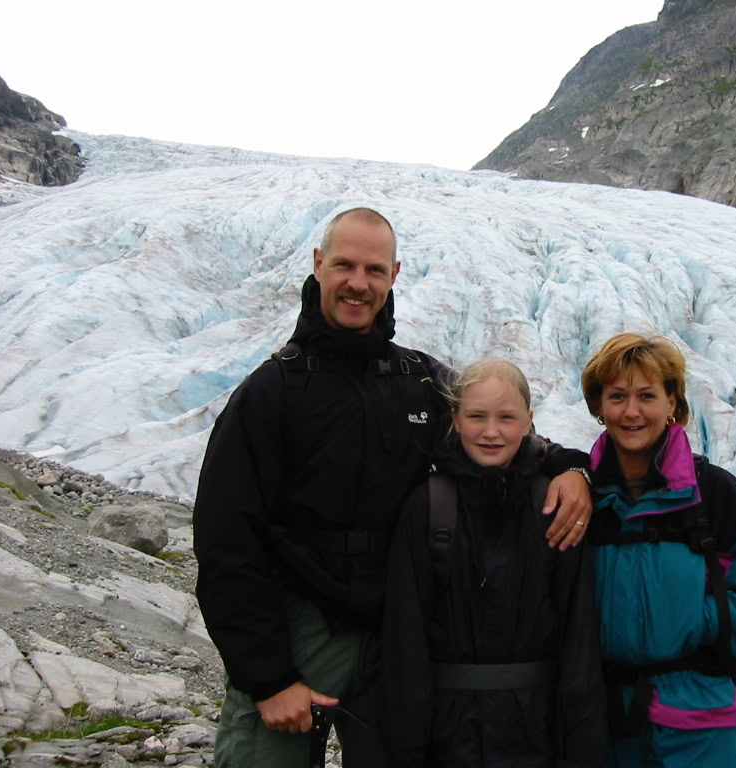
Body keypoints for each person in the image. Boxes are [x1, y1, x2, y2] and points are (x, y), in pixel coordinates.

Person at [193, 207, 593, 768]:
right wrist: (268, 677)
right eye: (345, 265)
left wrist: (574, 469)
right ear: (318, 264)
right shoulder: (273, 391)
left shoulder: (422, 382)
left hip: (396, 637)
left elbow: (502, 434)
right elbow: (225, 538)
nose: (358, 283)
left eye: (374, 270)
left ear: (394, 275)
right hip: (300, 629)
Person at [579, 333, 736, 768]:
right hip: (607, 728)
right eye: (617, 396)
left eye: (647, 396)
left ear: (673, 403)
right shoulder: (584, 496)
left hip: (703, 729)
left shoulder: (712, 493)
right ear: (599, 406)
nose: (631, 411)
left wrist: (699, 620)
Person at [381, 359, 606, 767]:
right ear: (455, 419)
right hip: (449, 737)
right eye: (476, 417)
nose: (490, 431)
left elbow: (579, 638)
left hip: (538, 733)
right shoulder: (427, 508)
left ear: (529, 422)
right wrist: (408, 749)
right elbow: (405, 641)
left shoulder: (555, 507)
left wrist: (581, 752)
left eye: (506, 418)